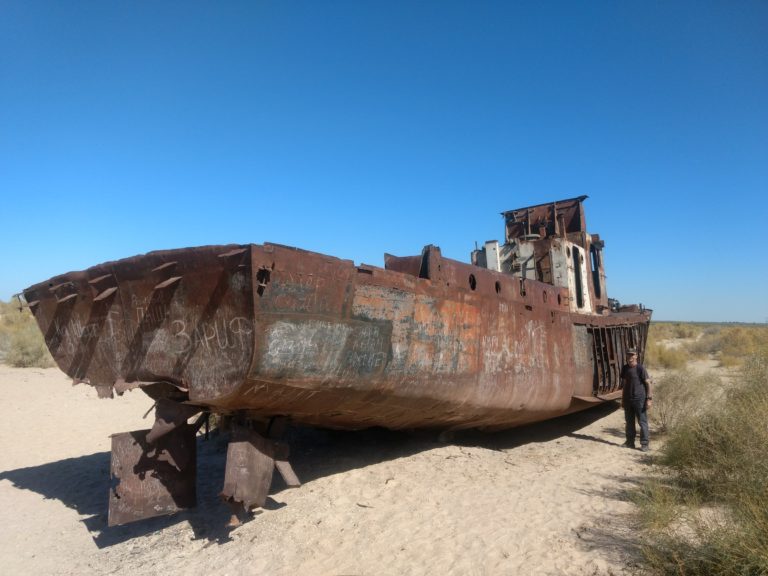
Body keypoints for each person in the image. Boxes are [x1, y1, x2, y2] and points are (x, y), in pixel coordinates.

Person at [620, 348, 652, 451]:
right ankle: (630, 442)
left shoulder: (640, 368)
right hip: (628, 400)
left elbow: (648, 383)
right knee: (629, 422)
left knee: (642, 422)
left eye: (632, 355)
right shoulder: (625, 368)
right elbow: (624, 384)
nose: (630, 357)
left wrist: (649, 399)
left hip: (640, 400)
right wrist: (622, 399)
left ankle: (644, 444)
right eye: (628, 355)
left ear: (636, 356)